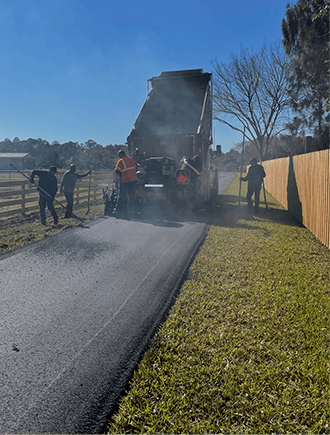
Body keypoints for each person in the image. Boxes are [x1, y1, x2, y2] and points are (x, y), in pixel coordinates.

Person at [114, 150, 137, 215]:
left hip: (125, 180)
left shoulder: (121, 161)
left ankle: (118, 209)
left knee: (122, 195)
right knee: (131, 195)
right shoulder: (131, 159)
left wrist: (120, 176)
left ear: (121, 155)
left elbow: (117, 170)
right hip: (133, 180)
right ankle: (131, 209)